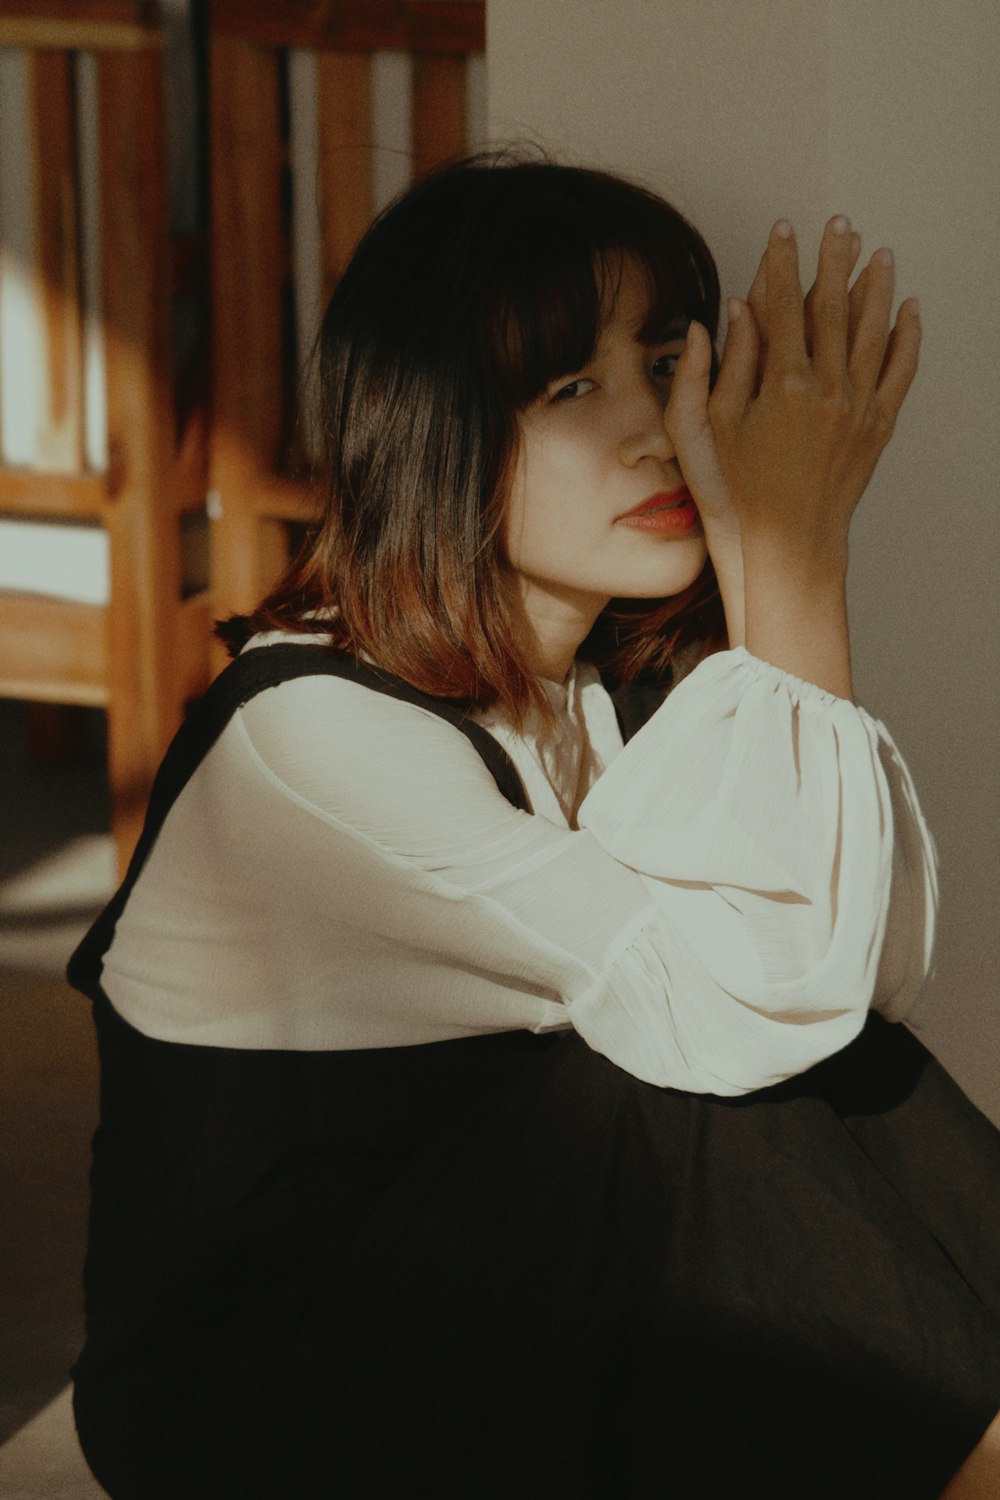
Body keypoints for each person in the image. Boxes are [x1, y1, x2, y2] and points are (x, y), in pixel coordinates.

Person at [68, 153, 1000, 1498]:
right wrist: (800, 556)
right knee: (676, 1092)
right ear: (435, 431)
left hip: (485, 1314)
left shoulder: (610, 683)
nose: (649, 430)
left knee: (791, 1065)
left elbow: (857, 987)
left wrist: (757, 570)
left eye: (669, 366)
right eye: (572, 389)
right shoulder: (312, 736)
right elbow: (745, 1018)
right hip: (257, 1394)